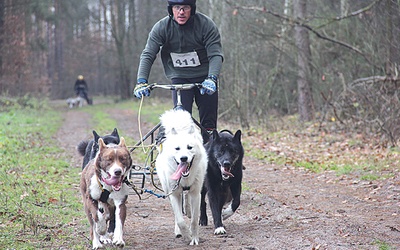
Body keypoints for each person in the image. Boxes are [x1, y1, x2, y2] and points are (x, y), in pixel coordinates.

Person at [133, 0, 223, 141]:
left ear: (192, 9)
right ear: (171, 9)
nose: (181, 12)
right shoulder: (162, 27)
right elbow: (148, 54)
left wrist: (212, 77)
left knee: (209, 125)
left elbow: (216, 54)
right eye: (177, 8)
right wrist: (141, 80)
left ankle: (209, 155)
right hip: (179, 76)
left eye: (185, 8)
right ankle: (183, 157)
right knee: (181, 120)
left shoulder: (205, 25)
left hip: (205, 77)